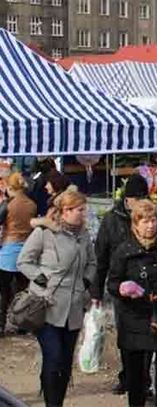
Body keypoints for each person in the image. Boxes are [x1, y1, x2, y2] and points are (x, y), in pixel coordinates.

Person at [91, 174, 157, 395]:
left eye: (143, 197)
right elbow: (101, 257)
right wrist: (97, 290)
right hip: (125, 290)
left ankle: (144, 382)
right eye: (135, 199)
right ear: (126, 200)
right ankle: (129, 377)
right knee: (129, 339)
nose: (140, 203)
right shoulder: (112, 220)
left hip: (155, 291)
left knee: (155, 338)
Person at [17, 190, 96, 407]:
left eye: (84, 209)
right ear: (65, 211)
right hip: (47, 307)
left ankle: (56, 400)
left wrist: (86, 282)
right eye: (80, 210)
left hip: (74, 309)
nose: (83, 214)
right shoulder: (45, 233)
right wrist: (40, 279)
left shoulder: (84, 235)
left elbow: (92, 263)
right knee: (54, 358)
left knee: (65, 363)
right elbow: (24, 261)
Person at [108, 200, 157, 407]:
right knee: (136, 374)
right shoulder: (124, 250)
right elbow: (112, 283)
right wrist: (123, 288)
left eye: (153, 221)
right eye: (145, 221)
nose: (150, 225)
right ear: (136, 224)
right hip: (134, 318)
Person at [0, 172, 37, 335]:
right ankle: (23, 325)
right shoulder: (32, 204)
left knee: (3, 292)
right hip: (27, 251)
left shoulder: (8, 204)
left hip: (8, 250)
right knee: (23, 291)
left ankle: (1, 326)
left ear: (10, 187)